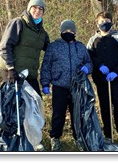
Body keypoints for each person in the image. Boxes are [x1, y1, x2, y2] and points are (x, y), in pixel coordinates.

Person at [0, 0, 50, 151]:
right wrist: (11, 68)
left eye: (41, 9)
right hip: (12, 72)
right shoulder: (18, 23)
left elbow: (50, 48)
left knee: (34, 104)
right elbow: (4, 46)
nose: (37, 11)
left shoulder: (41, 32)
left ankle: (32, 140)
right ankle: (13, 142)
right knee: (14, 107)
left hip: (30, 74)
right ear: (29, 8)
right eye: (35, 8)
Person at [40, 19, 93, 151]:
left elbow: (89, 62)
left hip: (77, 87)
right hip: (59, 86)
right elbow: (46, 66)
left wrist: (87, 68)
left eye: (70, 31)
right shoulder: (53, 47)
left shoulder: (81, 47)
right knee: (58, 114)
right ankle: (55, 138)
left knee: (77, 114)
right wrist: (45, 83)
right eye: (65, 31)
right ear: (61, 32)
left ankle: (78, 138)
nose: (68, 33)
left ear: (74, 32)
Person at [86, 11, 118, 147]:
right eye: (101, 21)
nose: (104, 23)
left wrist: (116, 72)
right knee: (105, 106)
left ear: (111, 22)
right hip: (101, 79)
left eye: (107, 21)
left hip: (116, 79)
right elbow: (89, 58)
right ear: (97, 23)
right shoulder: (92, 40)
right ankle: (108, 135)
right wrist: (99, 66)